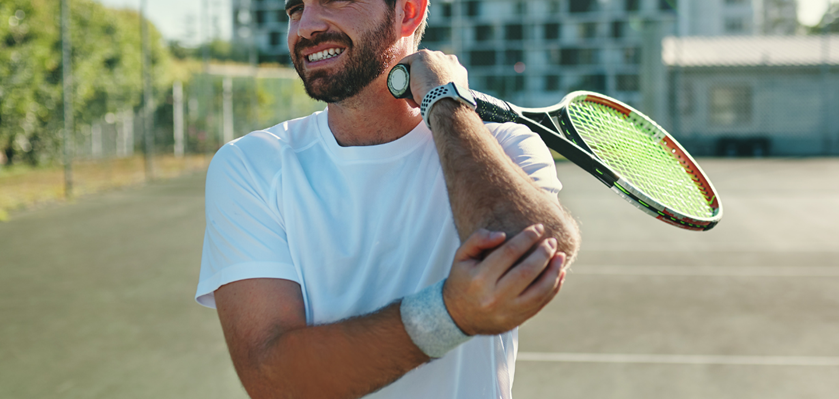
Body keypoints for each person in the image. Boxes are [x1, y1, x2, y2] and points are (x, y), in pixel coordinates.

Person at [193, 0, 581, 398]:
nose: (305, 27)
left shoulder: (506, 146)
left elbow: (535, 257)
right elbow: (272, 377)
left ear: (408, 11)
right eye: (295, 9)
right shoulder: (251, 164)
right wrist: (450, 314)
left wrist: (443, 103)